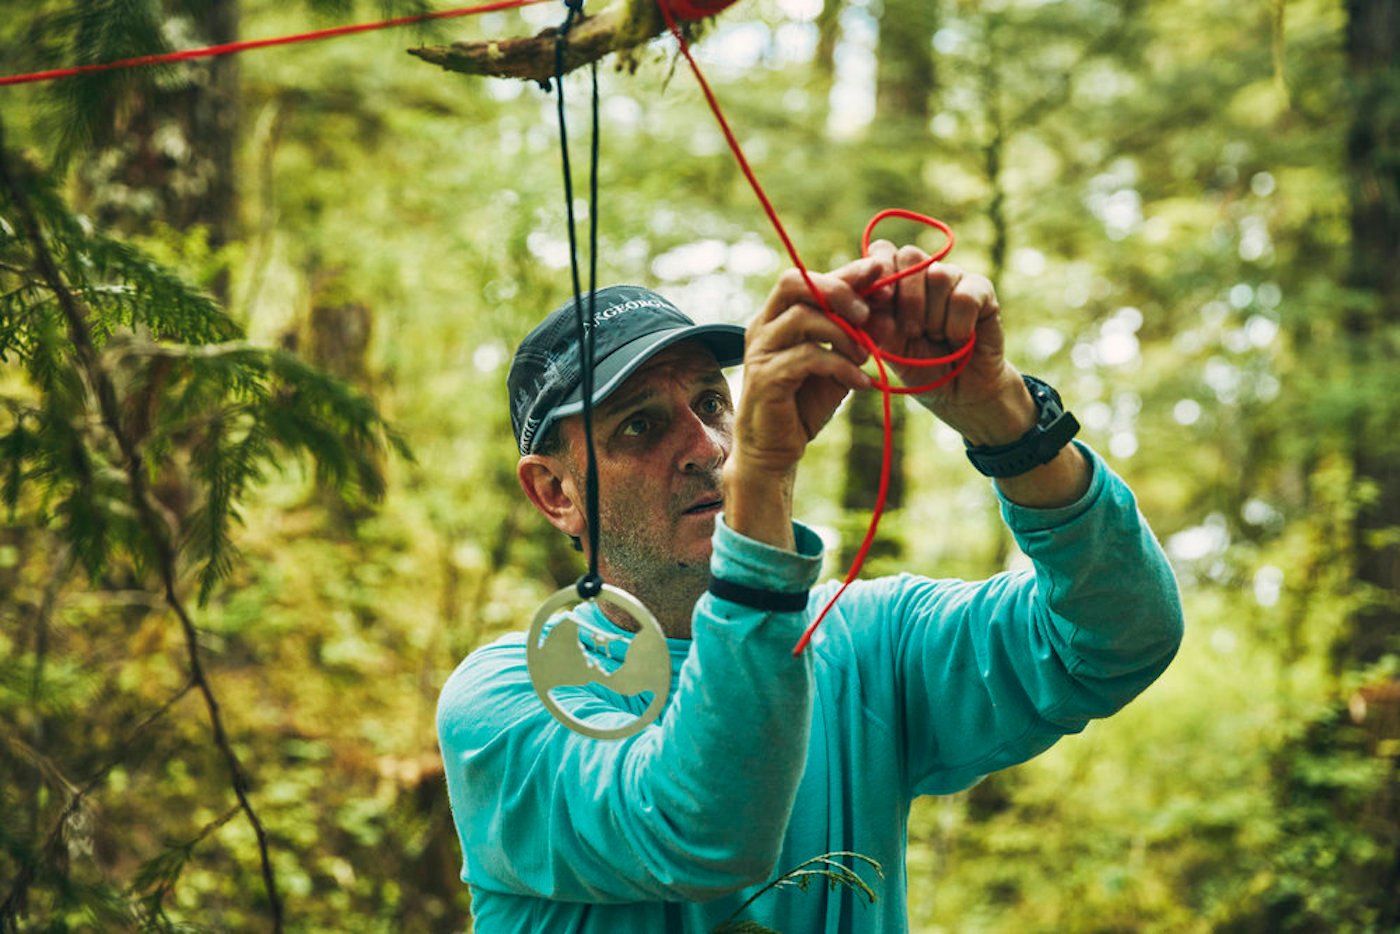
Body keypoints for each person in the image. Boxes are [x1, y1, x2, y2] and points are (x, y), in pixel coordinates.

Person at [437, 243, 1184, 932]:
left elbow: (1117, 636)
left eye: (710, 402)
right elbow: (699, 830)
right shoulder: (506, 700)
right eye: (640, 427)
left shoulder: (866, 642)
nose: (707, 448)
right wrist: (762, 481)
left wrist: (1006, 422)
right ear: (555, 493)